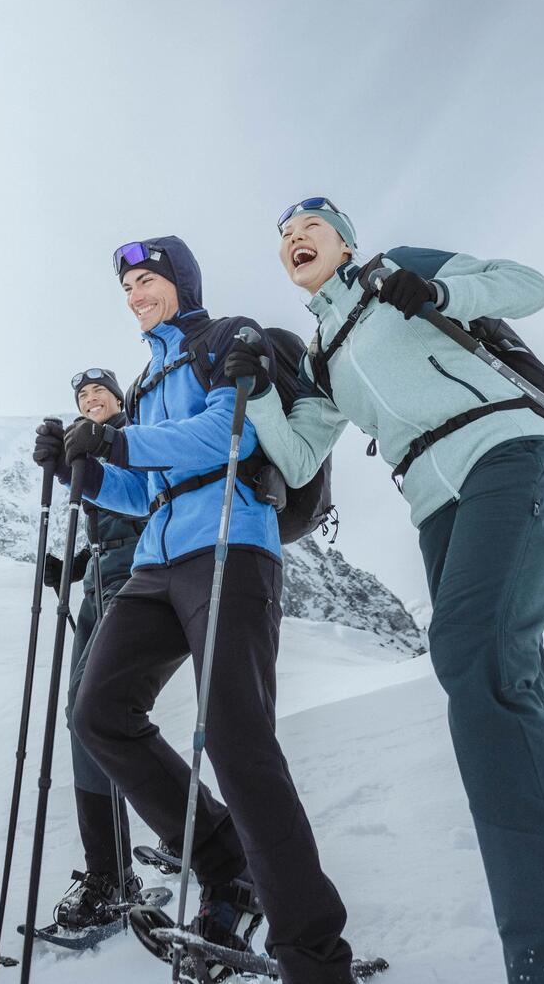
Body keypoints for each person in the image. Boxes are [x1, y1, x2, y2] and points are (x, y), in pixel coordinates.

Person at [224, 198, 544, 984]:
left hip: (506, 449)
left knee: (478, 666)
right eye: (284, 236)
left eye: (310, 227)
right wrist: (260, 390)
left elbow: (526, 286)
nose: (295, 239)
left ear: (346, 241)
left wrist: (438, 295)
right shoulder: (324, 355)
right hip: (435, 504)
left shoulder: (398, 270)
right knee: (508, 699)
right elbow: (297, 462)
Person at [35, 236, 355, 984]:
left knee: (239, 740)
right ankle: (224, 861)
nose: (136, 294)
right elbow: (145, 491)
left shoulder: (225, 338)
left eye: (147, 279)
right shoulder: (144, 383)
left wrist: (118, 439)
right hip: (157, 557)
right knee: (98, 711)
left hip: (231, 542)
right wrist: (79, 471)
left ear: (180, 282)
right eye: (128, 286)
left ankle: (314, 954)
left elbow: (228, 431)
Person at [39, 367, 148, 930]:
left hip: (139, 582)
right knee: (81, 716)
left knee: (91, 714)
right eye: (82, 396)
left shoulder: (141, 435)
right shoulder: (86, 456)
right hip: (99, 588)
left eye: (99, 391)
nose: (91, 399)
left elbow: (150, 506)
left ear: (119, 398)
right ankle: (116, 863)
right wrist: (72, 568)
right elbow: (105, 533)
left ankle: (111, 871)